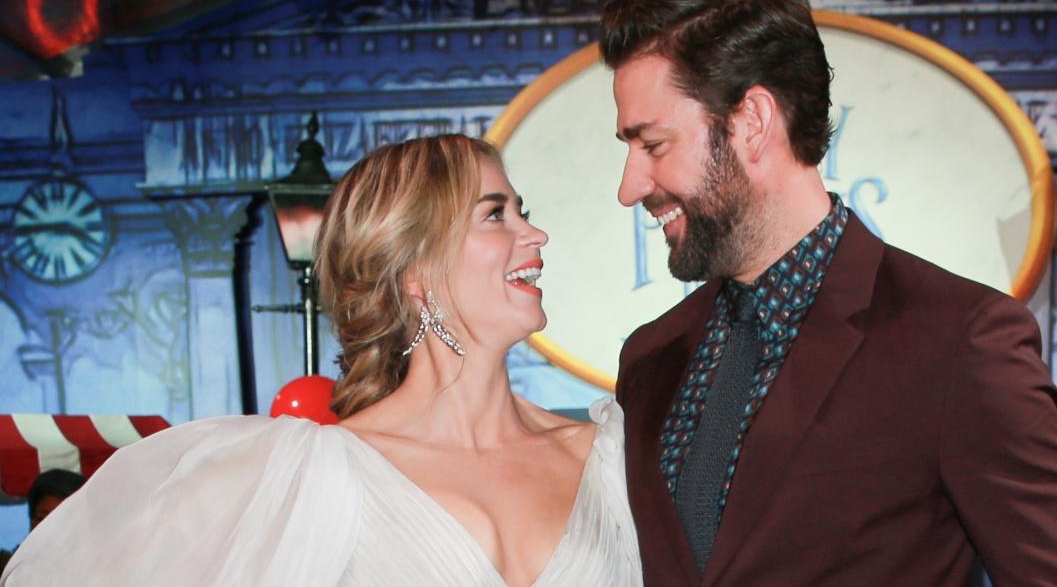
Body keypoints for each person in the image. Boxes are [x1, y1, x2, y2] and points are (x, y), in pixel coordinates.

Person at [602, 0, 1057, 586]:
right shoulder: (650, 358)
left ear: (752, 122)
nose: (630, 188)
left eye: (653, 144)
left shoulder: (959, 341)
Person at [1, 135, 642, 586]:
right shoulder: (311, 475)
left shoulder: (610, 459)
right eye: (495, 215)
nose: (535, 235)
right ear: (415, 269)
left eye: (521, 212)